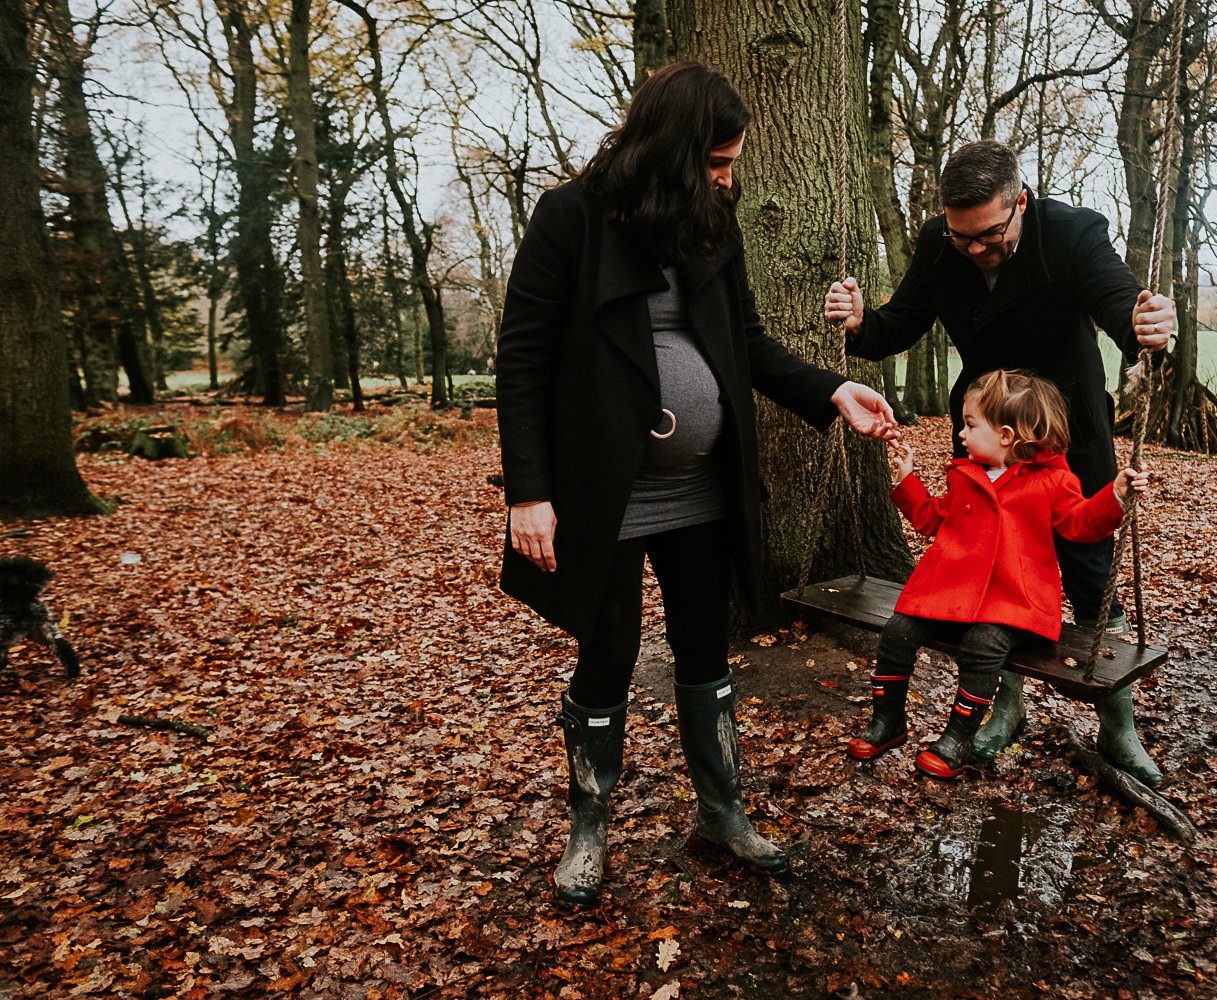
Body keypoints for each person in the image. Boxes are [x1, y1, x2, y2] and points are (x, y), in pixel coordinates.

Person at [498, 61, 899, 908]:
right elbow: (523, 358)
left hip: (703, 493)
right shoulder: (571, 217)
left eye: (732, 163)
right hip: (606, 493)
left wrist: (831, 389)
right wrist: (527, 491)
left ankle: (721, 813)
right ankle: (590, 827)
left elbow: (745, 342)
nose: (729, 179)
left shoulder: (713, 225)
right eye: (716, 163)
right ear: (670, 151)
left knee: (706, 651)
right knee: (605, 655)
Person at [823, 140, 1173, 785]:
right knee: (988, 585)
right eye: (962, 240)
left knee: (1094, 584)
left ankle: (1118, 727)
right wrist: (859, 320)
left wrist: (1143, 323)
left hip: (1070, 443)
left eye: (988, 236)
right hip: (984, 441)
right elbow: (895, 329)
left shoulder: (1070, 234)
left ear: (1021, 201)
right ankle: (1002, 711)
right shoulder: (940, 243)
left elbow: (1118, 301)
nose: (974, 250)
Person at [848, 370, 1149, 778]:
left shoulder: (1053, 481)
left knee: (983, 645)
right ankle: (888, 721)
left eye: (970, 425)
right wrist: (907, 483)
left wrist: (1113, 496)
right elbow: (933, 519)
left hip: (1014, 601)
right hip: (951, 593)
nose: (960, 433)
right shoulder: (964, 474)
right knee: (897, 630)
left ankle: (957, 737)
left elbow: (1080, 523)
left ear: (1006, 435)